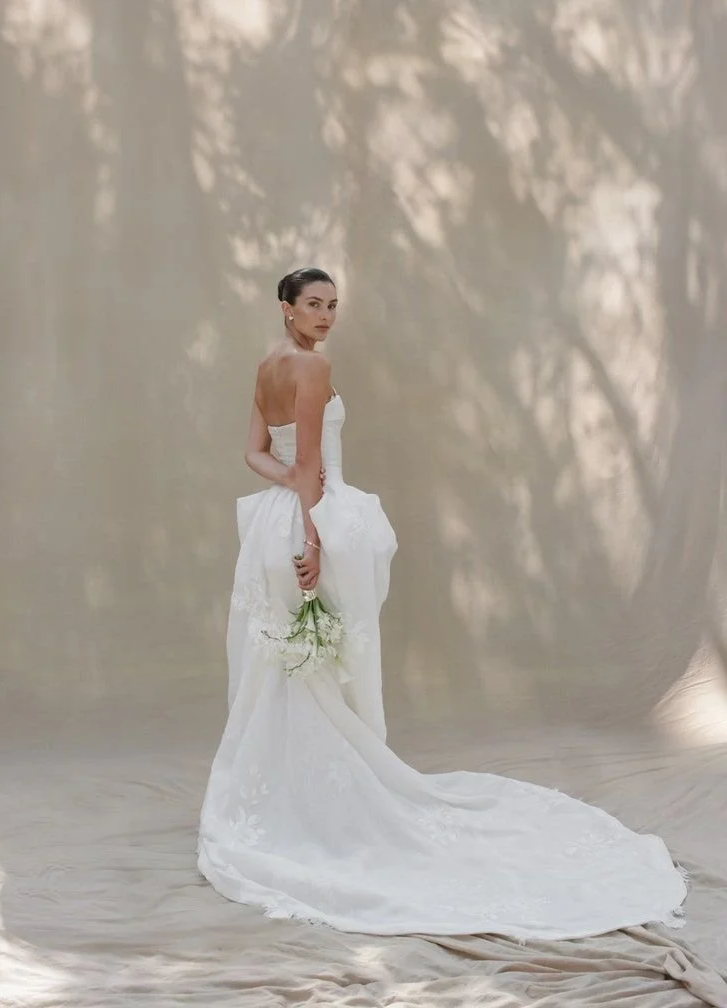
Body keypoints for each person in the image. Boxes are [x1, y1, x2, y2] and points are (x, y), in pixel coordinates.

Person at [196, 267, 687, 939]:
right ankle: (327, 806)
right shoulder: (313, 370)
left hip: (276, 523)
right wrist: (310, 535)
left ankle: (288, 801)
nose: (327, 315)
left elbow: (257, 454)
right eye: (314, 304)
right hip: (318, 521)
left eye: (334, 305)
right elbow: (310, 462)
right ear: (286, 307)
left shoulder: (266, 366)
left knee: (291, 661)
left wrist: (287, 502)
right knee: (317, 658)